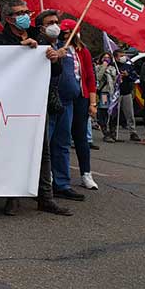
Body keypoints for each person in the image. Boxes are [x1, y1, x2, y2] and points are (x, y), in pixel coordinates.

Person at [0, 8, 72, 216]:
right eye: (20, 12)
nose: (25, 15)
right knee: (14, 150)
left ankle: (45, 198)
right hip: (9, 104)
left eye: (27, 11)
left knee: (42, 151)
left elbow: (55, 72)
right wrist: (19, 49)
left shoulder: (38, 37)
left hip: (36, 102)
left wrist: (53, 57)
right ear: (9, 17)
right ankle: (13, 198)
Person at [44, 20, 88, 202]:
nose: (56, 26)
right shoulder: (39, 45)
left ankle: (62, 184)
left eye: (57, 22)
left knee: (62, 144)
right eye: (50, 23)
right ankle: (42, 186)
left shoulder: (67, 48)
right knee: (44, 146)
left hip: (67, 102)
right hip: (46, 102)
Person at [62, 20, 99, 190]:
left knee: (81, 137)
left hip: (81, 97)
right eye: (64, 32)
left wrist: (92, 103)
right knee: (60, 137)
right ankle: (58, 174)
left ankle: (86, 173)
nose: (66, 35)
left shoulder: (82, 51)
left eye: (70, 32)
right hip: (62, 97)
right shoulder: (56, 48)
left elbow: (90, 78)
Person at [114, 49, 139, 142]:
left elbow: (134, 77)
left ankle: (133, 132)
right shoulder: (113, 65)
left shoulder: (128, 65)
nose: (123, 57)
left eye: (123, 55)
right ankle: (112, 132)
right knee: (113, 113)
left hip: (126, 92)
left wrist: (127, 75)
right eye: (121, 56)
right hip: (115, 93)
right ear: (116, 57)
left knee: (130, 113)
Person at [94, 51, 118, 143]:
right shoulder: (98, 67)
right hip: (104, 93)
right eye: (104, 57)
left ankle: (113, 132)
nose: (106, 59)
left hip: (112, 93)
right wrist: (104, 66)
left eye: (108, 57)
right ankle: (105, 132)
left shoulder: (113, 68)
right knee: (103, 111)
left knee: (112, 113)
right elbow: (98, 78)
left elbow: (114, 80)